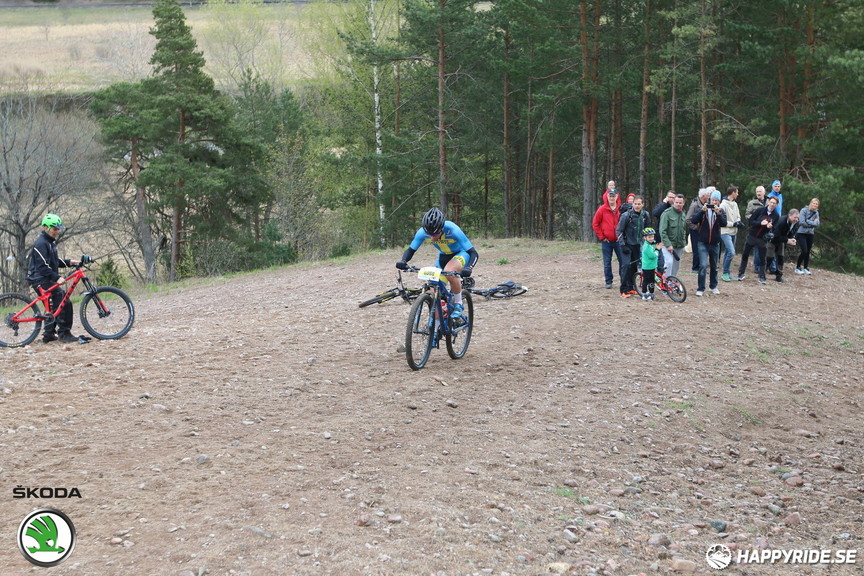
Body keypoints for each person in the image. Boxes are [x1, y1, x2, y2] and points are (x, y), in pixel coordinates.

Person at [396, 207, 478, 320]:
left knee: (450, 271)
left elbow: (473, 253)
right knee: (433, 293)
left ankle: (458, 303)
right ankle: (436, 329)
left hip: (460, 253)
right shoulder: (422, 232)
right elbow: (410, 250)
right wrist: (403, 261)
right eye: (429, 234)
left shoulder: (453, 229)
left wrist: (469, 267)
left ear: (442, 228)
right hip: (442, 257)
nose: (431, 237)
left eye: (435, 234)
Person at [26, 214, 90, 344]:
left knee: (54, 306)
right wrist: (57, 277)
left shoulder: (49, 242)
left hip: (44, 278)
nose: (57, 231)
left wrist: (70, 262)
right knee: (64, 302)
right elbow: (43, 266)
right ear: (45, 227)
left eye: (58, 229)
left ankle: (48, 334)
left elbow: (54, 261)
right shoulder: (41, 244)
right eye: (54, 228)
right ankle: (64, 334)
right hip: (40, 279)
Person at [690, 189, 727, 296]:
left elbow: (724, 223)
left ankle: (713, 286)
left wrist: (718, 213)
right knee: (703, 265)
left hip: (715, 243)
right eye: (713, 200)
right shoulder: (703, 210)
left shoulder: (721, 211)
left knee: (714, 265)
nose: (714, 202)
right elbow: (693, 220)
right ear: (710, 200)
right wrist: (702, 210)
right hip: (703, 242)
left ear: (719, 201)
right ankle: (701, 288)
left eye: (716, 200)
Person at [737, 196, 780, 284]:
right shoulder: (760, 210)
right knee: (745, 254)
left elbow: (775, 228)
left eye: (774, 203)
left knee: (762, 258)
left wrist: (770, 227)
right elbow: (751, 222)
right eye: (771, 202)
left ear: (777, 205)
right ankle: (741, 273)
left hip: (762, 238)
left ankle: (762, 277)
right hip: (752, 235)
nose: (772, 204)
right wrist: (760, 223)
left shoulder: (776, 215)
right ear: (768, 202)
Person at [616, 194, 651, 298]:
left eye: (639, 204)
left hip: (637, 244)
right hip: (626, 245)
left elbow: (647, 229)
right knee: (625, 266)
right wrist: (622, 245)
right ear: (632, 204)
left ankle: (631, 288)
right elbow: (619, 231)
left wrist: (648, 243)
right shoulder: (626, 215)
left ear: (643, 204)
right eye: (635, 204)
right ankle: (624, 290)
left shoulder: (645, 215)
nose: (637, 206)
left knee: (634, 267)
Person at [592, 185, 624, 289]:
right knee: (607, 262)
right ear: (607, 197)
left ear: (617, 197)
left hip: (619, 241)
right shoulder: (602, 209)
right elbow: (595, 223)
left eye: (613, 196)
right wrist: (602, 237)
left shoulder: (621, 209)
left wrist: (623, 236)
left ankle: (624, 280)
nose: (611, 198)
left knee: (623, 262)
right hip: (607, 241)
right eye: (610, 196)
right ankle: (608, 281)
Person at [719, 185, 744, 282]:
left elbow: (738, 216)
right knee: (732, 252)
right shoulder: (723, 205)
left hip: (734, 232)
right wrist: (733, 223)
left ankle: (726, 273)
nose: (737, 194)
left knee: (728, 253)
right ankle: (725, 272)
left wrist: (738, 222)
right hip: (725, 232)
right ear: (733, 193)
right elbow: (722, 221)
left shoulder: (735, 204)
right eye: (736, 192)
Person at [659, 194, 688, 278]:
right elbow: (662, 231)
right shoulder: (666, 213)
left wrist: (684, 242)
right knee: (669, 262)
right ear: (673, 202)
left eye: (680, 203)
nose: (678, 204)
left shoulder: (683, 214)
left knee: (676, 265)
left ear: (683, 203)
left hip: (679, 245)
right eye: (676, 202)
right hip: (668, 244)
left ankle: (672, 282)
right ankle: (665, 282)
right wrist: (668, 244)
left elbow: (684, 229)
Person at [769, 208, 799, 283]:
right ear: (789, 215)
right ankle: (762, 273)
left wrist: (793, 238)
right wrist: (787, 240)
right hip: (772, 240)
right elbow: (776, 235)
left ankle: (779, 276)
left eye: (797, 218)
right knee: (769, 257)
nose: (796, 219)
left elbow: (791, 232)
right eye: (795, 217)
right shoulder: (782, 221)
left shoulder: (794, 223)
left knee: (780, 258)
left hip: (781, 241)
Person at [686, 188, 711, 272]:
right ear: (703, 196)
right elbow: (688, 219)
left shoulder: (706, 204)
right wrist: (697, 227)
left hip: (703, 231)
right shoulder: (694, 205)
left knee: (703, 249)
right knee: (696, 249)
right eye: (707, 195)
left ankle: (702, 267)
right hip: (695, 231)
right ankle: (695, 268)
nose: (708, 197)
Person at [745, 185, 767, 274]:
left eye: (760, 191)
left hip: (766, 229)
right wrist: (755, 220)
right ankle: (757, 267)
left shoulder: (769, 202)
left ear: (764, 192)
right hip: (755, 228)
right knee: (757, 248)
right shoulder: (752, 203)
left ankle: (765, 267)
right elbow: (747, 215)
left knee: (765, 248)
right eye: (757, 191)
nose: (758, 193)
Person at [795, 198, 820, 275]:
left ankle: (805, 267)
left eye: (816, 204)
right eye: (814, 203)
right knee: (804, 250)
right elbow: (802, 222)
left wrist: (808, 221)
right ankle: (797, 267)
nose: (815, 205)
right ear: (810, 203)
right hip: (802, 233)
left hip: (810, 233)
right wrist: (812, 223)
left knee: (808, 251)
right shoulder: (803, 210)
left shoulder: (816, 213)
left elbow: (817, 223)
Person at [639, 227, 662, 301]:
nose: (651, 238)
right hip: (647, 267)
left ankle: (651, 293)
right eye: (649, 237)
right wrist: (657, 250)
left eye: (652, 236)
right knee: (647, 281)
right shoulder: (646, 247)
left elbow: (655, 244)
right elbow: (653, 255)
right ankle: (644, 293)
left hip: (652, 266)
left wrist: (657, 246)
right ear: (645, 238)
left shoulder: (652, 243)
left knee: (651, 281)